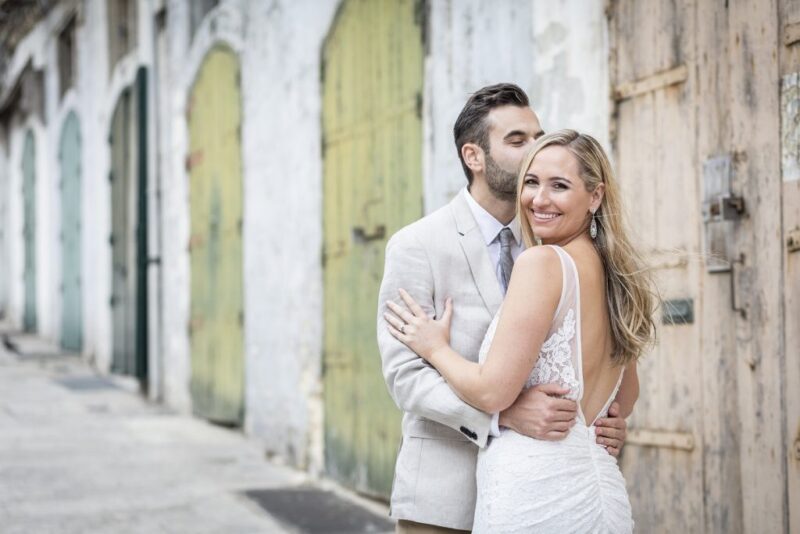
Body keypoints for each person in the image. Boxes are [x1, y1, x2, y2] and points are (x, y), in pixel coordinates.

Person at [376, 84, 631, 533]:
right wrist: (500, 416)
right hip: (444, 494)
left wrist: (600, 423)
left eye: (538, 135)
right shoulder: (417, 245)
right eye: (518, 140)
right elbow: (405, 378)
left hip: (541, 490)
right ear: (474, 156)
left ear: (592, 196)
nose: (535, 149)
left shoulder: (547, 245)